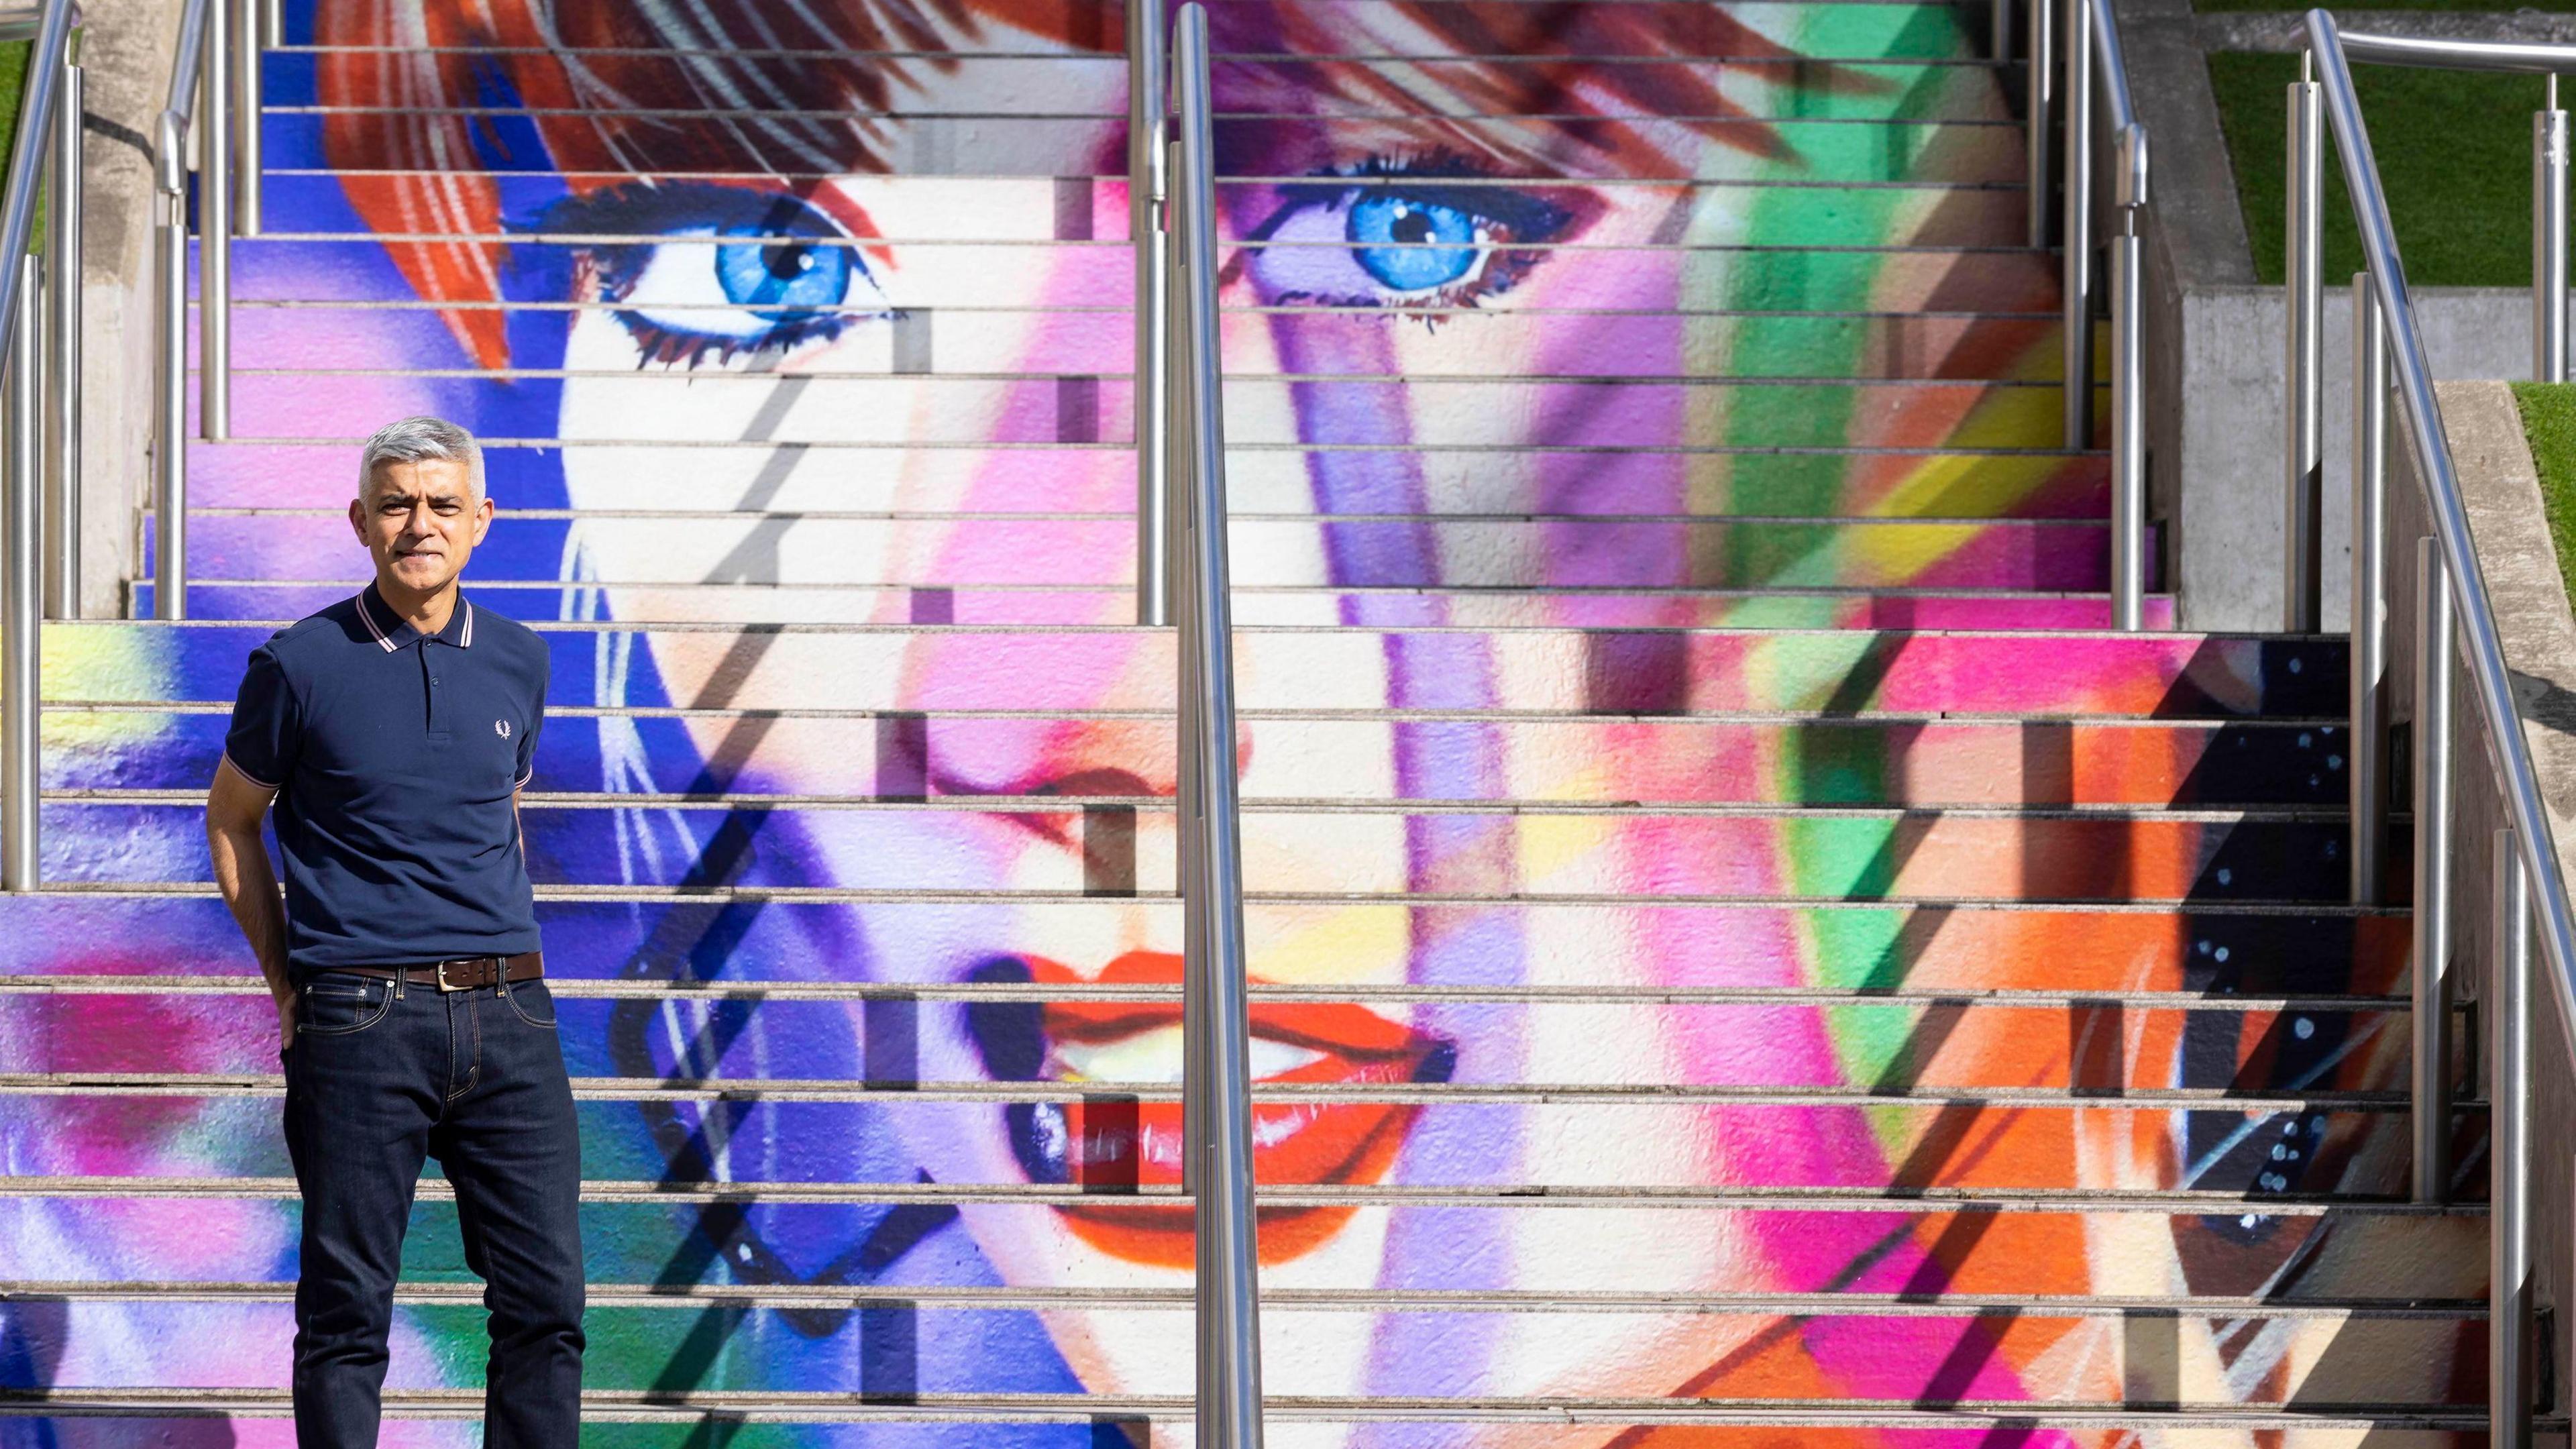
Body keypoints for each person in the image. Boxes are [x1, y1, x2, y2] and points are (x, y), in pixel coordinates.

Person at [203, 415, 581, 1449]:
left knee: (546, 1304)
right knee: (344, 1317)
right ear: (361, 521)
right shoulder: (298, 664)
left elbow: (496, 805)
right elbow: (234, 820)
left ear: (482, 521)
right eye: (400, 503)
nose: (422, 523)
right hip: (359, 1019)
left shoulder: (519, 659)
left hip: (510, 1015)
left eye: (444, 503)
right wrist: (290, 986)